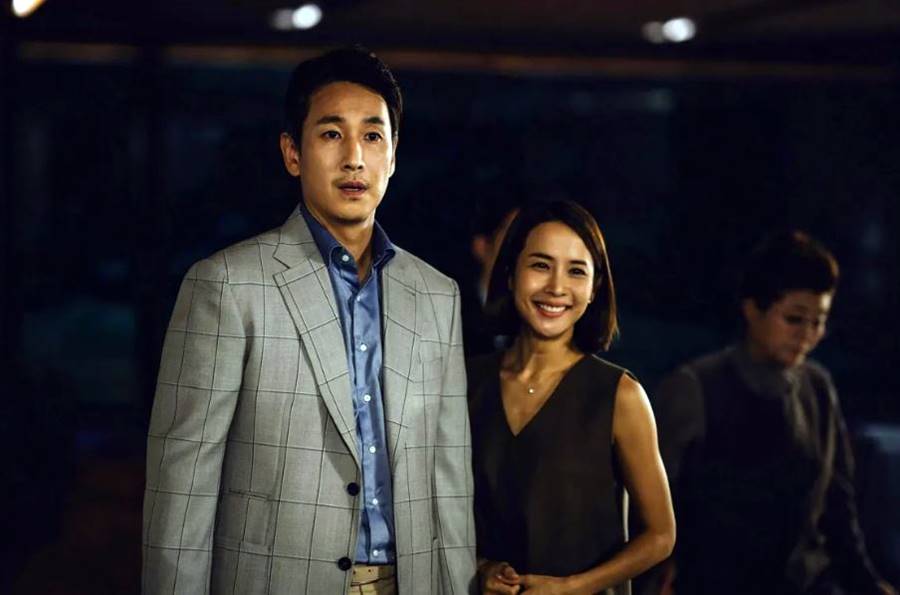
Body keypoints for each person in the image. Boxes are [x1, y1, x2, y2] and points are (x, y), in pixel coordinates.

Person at [142, 47, 477, 595]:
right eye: (331, 134)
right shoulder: (226, 285)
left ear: (393, 155)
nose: (354, 158)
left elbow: (451, 485)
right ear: (292, 152)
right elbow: (182, 486)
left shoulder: (437, 295)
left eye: (373, 136)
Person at [653, 230, 897, 595]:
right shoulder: (696, 387)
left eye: (819, 321)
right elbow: (650, 511)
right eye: (795, 319)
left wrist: (869, 587)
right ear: (753, 309)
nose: (808, 334)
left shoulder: (816, 388)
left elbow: (838, 510)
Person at [468, 200, 676, 595]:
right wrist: (480, 568)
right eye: (540, 265)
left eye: (576, 271)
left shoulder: (621, 395)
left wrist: (572, 588)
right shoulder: (466, 383)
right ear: (510, 273)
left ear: (595, 288)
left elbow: (661, 536)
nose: (556, 287)